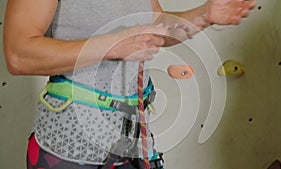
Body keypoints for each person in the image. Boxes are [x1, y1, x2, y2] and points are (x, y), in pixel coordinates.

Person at [3, 0, 255, 168]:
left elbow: (155, 25)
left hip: (131, 145)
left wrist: (204, 16)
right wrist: (111, 46)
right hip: (68, 147)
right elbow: (18, 53)